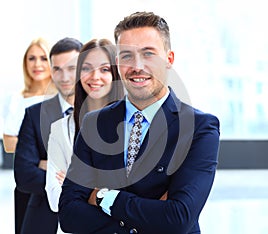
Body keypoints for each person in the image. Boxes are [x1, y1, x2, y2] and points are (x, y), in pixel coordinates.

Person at [59, 11, 220, 234]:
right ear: (117, 63)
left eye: (148, 54)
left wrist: (104, 196)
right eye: (126, 56)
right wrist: (150, 216)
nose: (137, 66)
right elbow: (68, 215)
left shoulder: (199, 128)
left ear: (169, 59)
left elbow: (178, 218)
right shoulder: (94, 123)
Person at [45, 38, 124, 232]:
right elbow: (56, 200)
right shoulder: (60, 129)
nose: (94, 76)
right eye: (87, 68)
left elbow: (143, 194)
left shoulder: (132, 122)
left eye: (105, 69)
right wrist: (111, 195)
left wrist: (80, 188)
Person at [14, 37, 82, 234]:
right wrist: (78, 182)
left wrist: (51, 167)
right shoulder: (34, 115)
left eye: (71, 68)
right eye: (57, 69)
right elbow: (24, 175)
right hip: (43, 220)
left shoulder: (102, 114)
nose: (64, 76)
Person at [2, 37, 57, 234]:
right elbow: (8, 143)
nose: (37, 64)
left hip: (59, 178)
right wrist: (34, 159)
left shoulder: (63, 98)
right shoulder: (17, 99)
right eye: (31, 58)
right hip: (29, 180)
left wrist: (43, 160)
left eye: (43, 58)